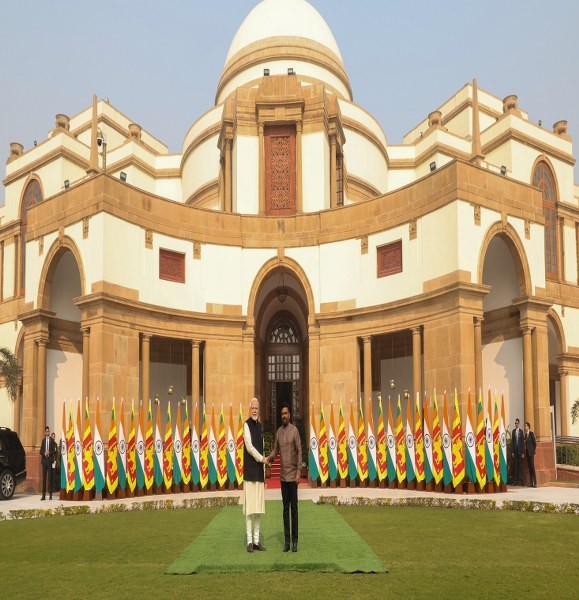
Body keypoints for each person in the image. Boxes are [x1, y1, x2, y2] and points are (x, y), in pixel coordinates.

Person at [268, 404, 302, 553]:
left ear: (290, 415)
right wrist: (268, 458)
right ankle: (287, 542)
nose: (284, 416)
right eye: (282, 414)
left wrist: (299, 473)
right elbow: (275, 450)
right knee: (285, 510)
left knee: (294, 510)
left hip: (293, 477)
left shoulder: (294, 431)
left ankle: (295, 541)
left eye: (286, 413)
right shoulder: (278, 432)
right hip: (283, 477)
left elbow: (300, 451)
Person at [243, 398, 268, 553]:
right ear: (249, 409)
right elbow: (250, 447)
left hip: (259, 473)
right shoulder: (246, 425)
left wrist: (264, 472)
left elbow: (263, 449)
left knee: (258, 509)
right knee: (250, 510)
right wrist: (262, 459)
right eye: (252, 408)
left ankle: (257, 541)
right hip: (250, 473)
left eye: (256, 408)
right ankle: (249, 541)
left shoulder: (260, 427)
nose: (254, 410)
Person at [40, 426, 57, 500]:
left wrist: (49, 452)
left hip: (49, 461)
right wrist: (44, 453)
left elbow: (54, 450)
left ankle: (50, 494)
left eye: (48, 431)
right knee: (44, 478)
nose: (47, 432)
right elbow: (40, 451)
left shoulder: (51, 440)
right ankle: (43, 495)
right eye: (46, 431)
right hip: (44, 461)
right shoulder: (43, 440)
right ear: (44, 432)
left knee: (49, 478)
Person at [511, 418, 524, 486]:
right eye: (515, 423)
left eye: (517, 423)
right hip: (515, 451)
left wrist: (522, 453)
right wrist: (512, 451)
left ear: (519, 424)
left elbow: (522, 442)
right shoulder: (513, 431)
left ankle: (521, 480)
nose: (516, 424)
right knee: (515, 466)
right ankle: (515, 480)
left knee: (520, 466)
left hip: (520, 452)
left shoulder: (521, 431)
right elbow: (512, 442)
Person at [524, 421, 537, 487]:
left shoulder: (531, 434)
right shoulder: (526, 435)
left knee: (532, 467)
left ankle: (535, 482)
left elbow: (534, 443)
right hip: (527, 453)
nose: (525, 427)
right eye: (525, 426)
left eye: (526, 426)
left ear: (528, 427)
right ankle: (531, 483)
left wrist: (533, 450)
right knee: (529, 468)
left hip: (531, 453)